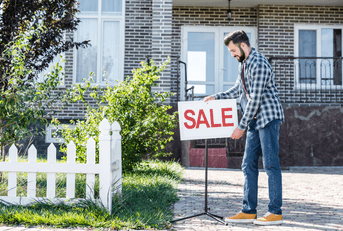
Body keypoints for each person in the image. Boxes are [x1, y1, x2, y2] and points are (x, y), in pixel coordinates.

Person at [204, 30, 284, 226]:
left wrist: (241, 126)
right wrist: (217, 96)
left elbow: (255, 99)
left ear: (243, 45)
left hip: (268, 118)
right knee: (248, 164)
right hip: (255, 120)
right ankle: (249, 210)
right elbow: (238, 90)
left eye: (233, 50)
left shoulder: (258, 63)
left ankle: (275, 212)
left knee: (271, 165)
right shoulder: (245, 64)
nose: (232, 55)